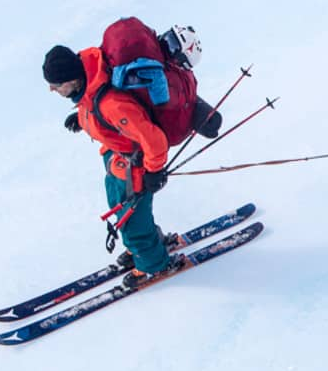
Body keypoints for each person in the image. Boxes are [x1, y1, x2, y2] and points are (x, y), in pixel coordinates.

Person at [42, 18, 221, 283]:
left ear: (72, 80)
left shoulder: (111, 103)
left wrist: (154, 171)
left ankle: (153, 264)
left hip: (135, 167)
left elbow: (154, 140)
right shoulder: (91, 75)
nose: (52, 89)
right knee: (121, 209)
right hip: (115, 159)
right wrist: (82, 118)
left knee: (132, 219)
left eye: (56, 85)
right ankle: (147, 244)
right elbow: (96, 108)